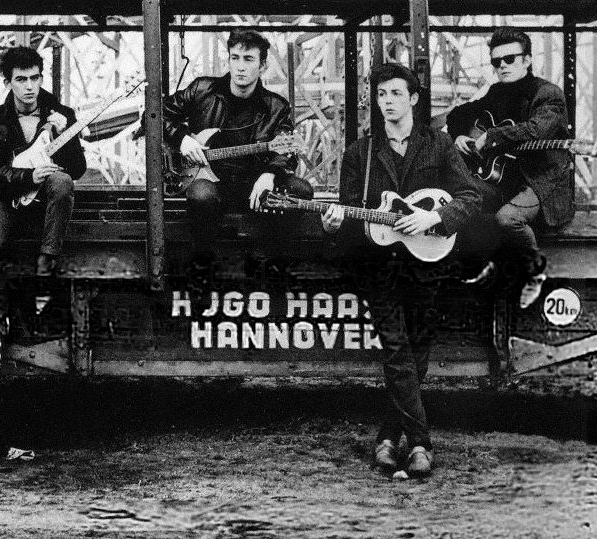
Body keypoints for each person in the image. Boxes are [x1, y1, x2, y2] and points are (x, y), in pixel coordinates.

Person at [327, 63, 481, 476]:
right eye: (381, 94)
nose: (388, 101)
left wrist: (435, 218)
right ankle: (420, 446)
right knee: (397, 350)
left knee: (418, 353)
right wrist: (335, 222)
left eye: (396, 93)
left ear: (413, 98)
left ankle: (386, 437)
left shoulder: (439, 144)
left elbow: (470, 196)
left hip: (428, 261)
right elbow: (349, 211)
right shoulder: (359, 153)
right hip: (380, 266)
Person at [162, 29, 313, 274]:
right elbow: (157, 114)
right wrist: (182, 140)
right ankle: (204, 265)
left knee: (300, 190)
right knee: (201, 195)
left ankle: (271, 259)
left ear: (262, 66)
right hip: (208, 180)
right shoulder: (203, 90)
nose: (240, 66)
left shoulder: (277, 107)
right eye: (235, 58)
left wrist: (270, 173)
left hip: (253, 186)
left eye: (249, 59)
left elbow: (287, 151)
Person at [447, 27, 574, 308]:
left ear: (527, 60)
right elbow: (460, 113)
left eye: (510, 59)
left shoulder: (548, 94)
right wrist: (459, 135)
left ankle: (535, 271)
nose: (502, 66)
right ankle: (488, 263)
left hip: (541, 179)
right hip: (504, 177)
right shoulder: (497, 92)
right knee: (461, 198)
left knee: (508, 220)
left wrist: (492, 136)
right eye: (496, 61)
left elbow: (536, 130)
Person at [0, 46, 86, 334]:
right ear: (8, 83)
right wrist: (29, 176)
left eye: (35, 78)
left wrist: (65, 133)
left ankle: (46, 264)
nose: (29, 87)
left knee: (62, 181)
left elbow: (77, 169)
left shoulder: (62, 115)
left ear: (41, 78)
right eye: (21, 79)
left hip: (46, 202)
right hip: (7, 198)